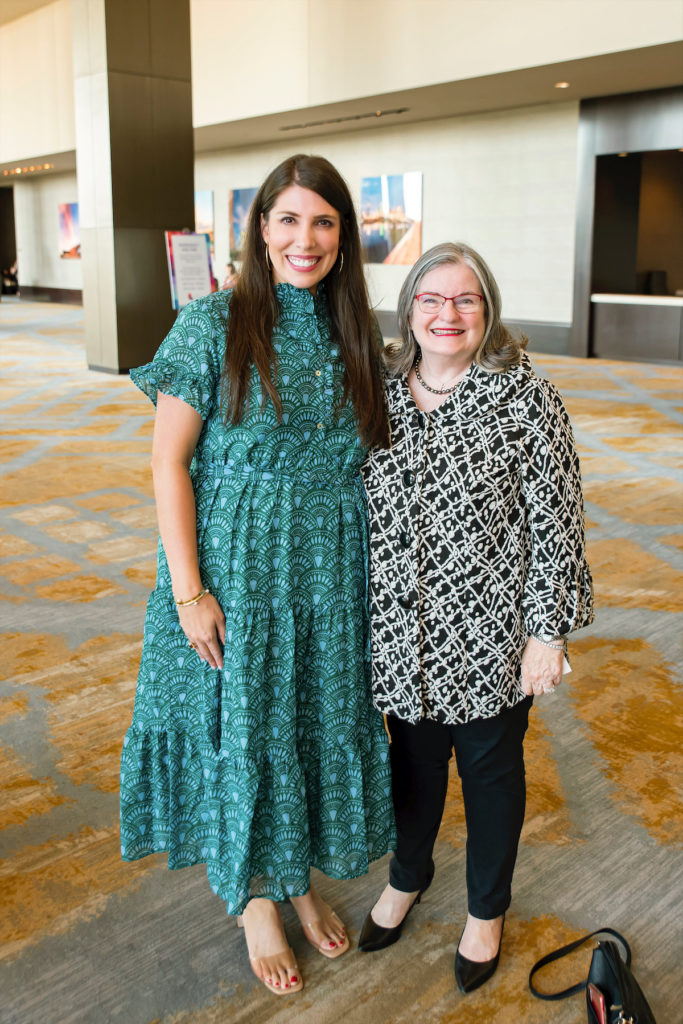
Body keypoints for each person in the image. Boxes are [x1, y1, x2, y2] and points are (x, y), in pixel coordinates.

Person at [120, 154, 396, 998]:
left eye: (322, 222)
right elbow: (169, 464)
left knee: (307, 725)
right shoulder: (213, 323)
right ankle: (254, 901)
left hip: (329, 576)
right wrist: (188, 592)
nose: (303, 239)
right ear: (261, 229)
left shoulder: (355, 330)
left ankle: (295, 876)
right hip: (236, 573)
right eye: (287, 220)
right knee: (246, 730)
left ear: (343, 238)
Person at [359, 242, 594, 994]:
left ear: (486, 310)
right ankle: (407, 876)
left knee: (491, 771)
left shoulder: (524, 395)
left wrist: (545, 632)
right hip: (401, 628)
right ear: (409, 311)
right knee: (412, 763)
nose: (447, 314)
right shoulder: (381, 389)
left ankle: (485, 910)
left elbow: (557, 522)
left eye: (465, 299)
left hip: (491, 634)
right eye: (431, 299)